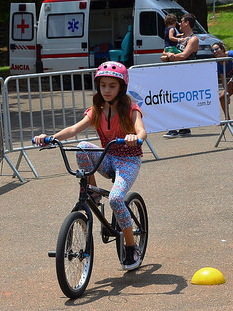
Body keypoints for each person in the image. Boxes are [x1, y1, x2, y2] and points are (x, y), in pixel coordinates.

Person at [33, 61, 147, 271]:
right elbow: (74, 129)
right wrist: (50, 138)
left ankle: (131, 247)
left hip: (128, 160)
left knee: (115, 199)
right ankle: (92, 192)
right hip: (107, 156)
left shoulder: (131, 108)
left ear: (121, 87)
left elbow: (142, 131)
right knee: (82, 146)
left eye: (112, 86)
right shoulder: (97, 110)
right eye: (103, 85)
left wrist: (135, 137)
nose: (107, 90)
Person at [160, 13, 199, 139]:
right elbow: (165, 53)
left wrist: (171, 57)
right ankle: (183, 128)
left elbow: (183, 55)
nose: (179, 24)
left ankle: (174, 128)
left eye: (181, 21)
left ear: (187, 23)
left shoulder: (193, 39)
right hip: (174, 73)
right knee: (176, 100)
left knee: (176, 101)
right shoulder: (179, 37)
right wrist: (167, 56)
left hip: (186, 74)